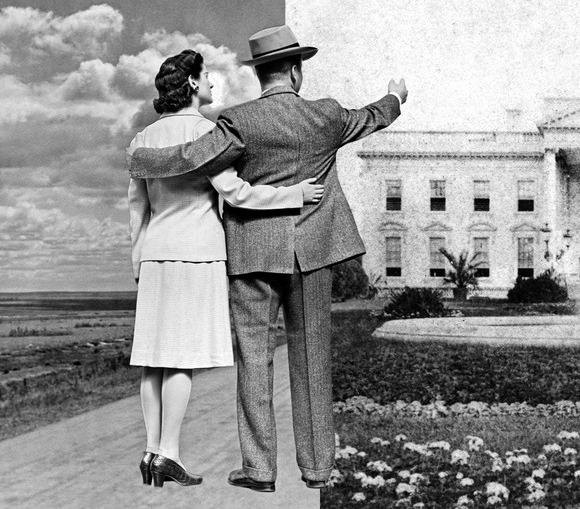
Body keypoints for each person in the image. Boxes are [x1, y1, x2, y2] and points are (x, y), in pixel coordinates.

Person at [128, 25, 407, 491]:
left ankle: (259, 470)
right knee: (312, 359)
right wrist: (396, 97)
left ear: (261, 75)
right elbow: (373, 116)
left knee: (254, 363)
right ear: (296, 70)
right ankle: (317, 469)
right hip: (315, 252)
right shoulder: (329, 115)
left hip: (252, 253)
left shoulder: (238, 122)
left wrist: (140, 161)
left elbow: (192, 159)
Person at [128, 49, 325, 488]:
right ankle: (169, 454)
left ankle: (149, 451)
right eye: (208, 76)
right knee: (182, 356)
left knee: (154, 360)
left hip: (157, 253)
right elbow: (236, 193)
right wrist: (293, 194)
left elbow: (136, 210)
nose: (214, 83)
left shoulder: (142, 139)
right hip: (197, 253)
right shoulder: (208, 133)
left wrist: (139, 259)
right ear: (193, 84)